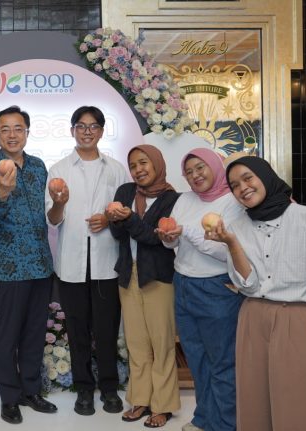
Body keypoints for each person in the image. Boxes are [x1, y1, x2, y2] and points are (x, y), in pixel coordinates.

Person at [206, 156, 306, 431]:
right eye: (234, 185)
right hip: (252, 318)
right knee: (254, 404)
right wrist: (232, 244)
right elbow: (248, 286)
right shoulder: (236, 227)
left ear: (265, 175)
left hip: (298, 320)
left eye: (248, 178)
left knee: (299, 405)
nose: (243, 188)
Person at [0, 106, 56, 425]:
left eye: (18, 128)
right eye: (5, 129)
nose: (12, 134)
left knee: (35, 332)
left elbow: (48, 212)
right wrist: (3, 191)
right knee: (8, 334)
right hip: (9, 267)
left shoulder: (38, 167)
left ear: (27, 132)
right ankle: (9, 397)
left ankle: (31, 391)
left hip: (40, 263)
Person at [45, 106, 128, 416]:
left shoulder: (116, 169)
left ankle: (109, 388)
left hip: (107, 261)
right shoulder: (59, 170)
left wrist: (108, 218)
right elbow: (53, 220)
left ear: (102, 131)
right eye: (81, 126)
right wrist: (59, 203)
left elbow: (125, 212)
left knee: (106, 330)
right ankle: (83, 389)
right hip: (71, 264)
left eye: (93, 126)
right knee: (77, 331)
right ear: (72, 131)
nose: (87, 131)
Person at [156, 148, 245, 431]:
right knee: (196, 359)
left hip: (217, 288)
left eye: (200, 168)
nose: (195, 175)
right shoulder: (184, 199)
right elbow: (173, 244)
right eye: (189, 171)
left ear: (215, 167)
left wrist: (186, 231)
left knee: (222, 362)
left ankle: (227, 424)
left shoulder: (232, 202)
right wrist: (168, 237)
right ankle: (205, 418)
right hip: (183, 284)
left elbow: (226, 251)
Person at [106, 144, 180, 428]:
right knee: (136, 342)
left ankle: (163, 405)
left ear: (157, 163)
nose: (138, 170)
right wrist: (115, 219)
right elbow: (118, 235)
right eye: (133, 165)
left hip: (158, 277)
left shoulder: (172, 199)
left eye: (144, 163)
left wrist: (129, 219)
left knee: (161, 343)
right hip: (128, 274)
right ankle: (140, 399)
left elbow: (155, 238)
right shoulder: (125, 191)